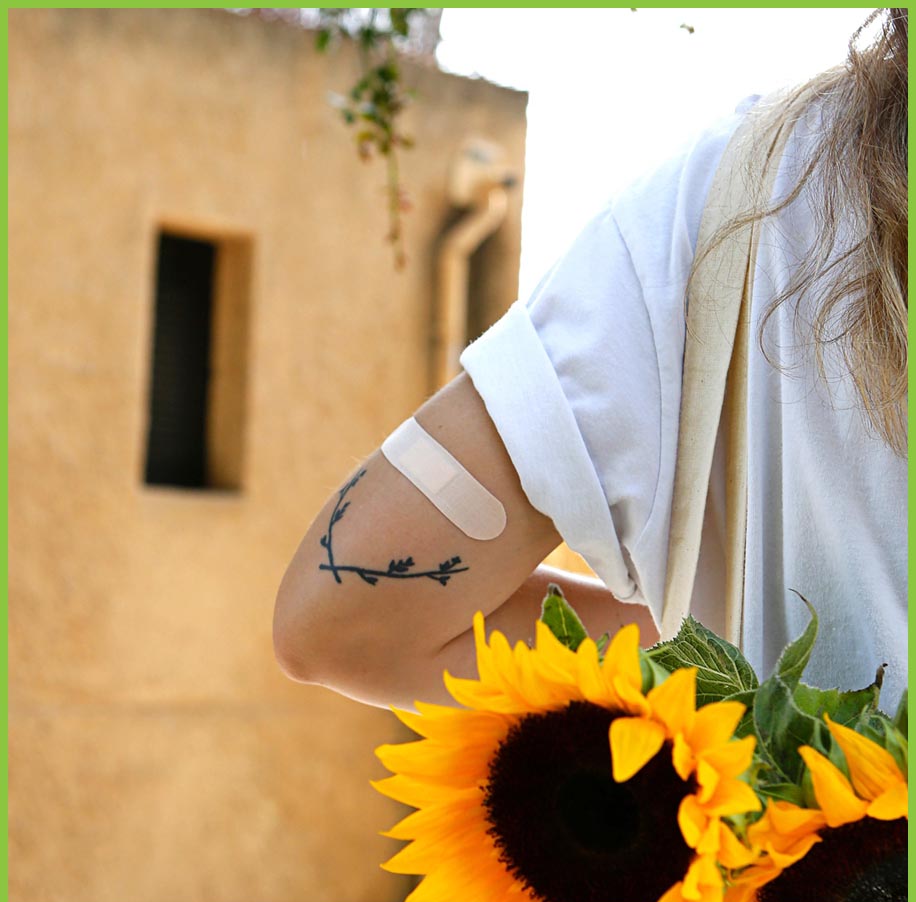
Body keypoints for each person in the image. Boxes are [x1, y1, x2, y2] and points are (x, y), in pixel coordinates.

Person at [274, 8, 907, 714]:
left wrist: (715, 663)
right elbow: (343, 616)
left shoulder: (731, 211)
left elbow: (347, 623)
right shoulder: (731, 213)